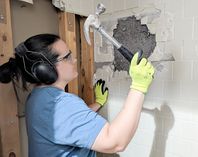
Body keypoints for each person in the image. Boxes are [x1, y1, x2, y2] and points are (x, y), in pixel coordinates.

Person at [0, 34, 155, 157]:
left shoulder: (37, 98)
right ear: (44, 69)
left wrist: (98, 103)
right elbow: (115, 143)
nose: (74, 59)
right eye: (67, 57)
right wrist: (139, 86)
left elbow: (69, 123)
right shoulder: (60, 104)